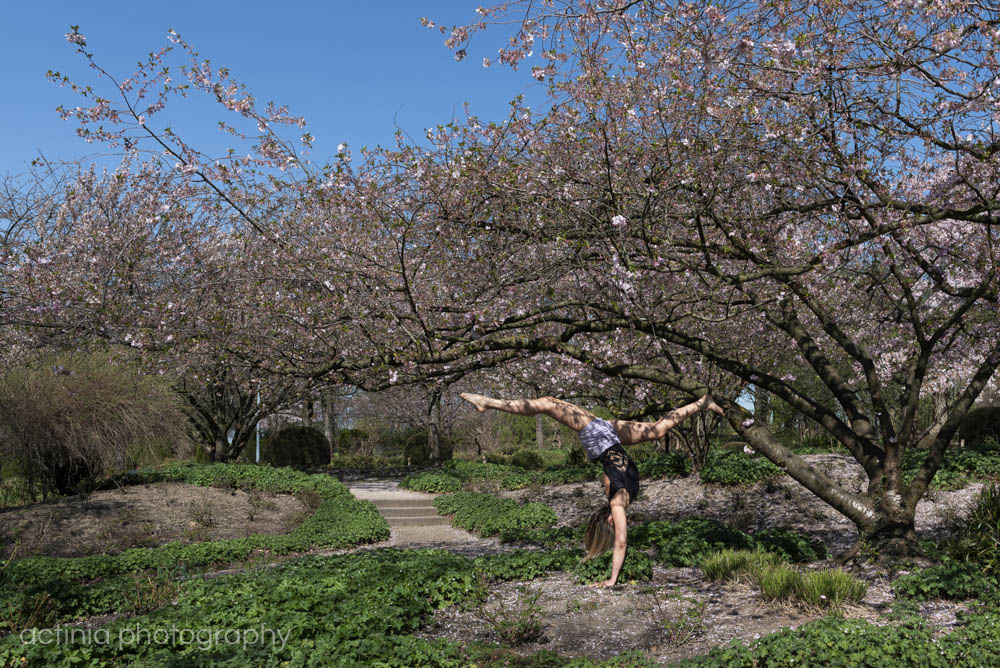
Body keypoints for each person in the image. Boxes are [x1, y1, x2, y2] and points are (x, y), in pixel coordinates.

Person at [459, 392, 725, 587]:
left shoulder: (618, 502)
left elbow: (621, 541)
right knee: (657, 430)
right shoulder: (620, 497)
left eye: (614, 522)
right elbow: (618, 533)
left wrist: (612, 579)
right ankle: (703, 402)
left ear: (609, 519)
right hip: (609, 435)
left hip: (600, 440)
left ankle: (489, 402)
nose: (620, 523)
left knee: (547, 404)